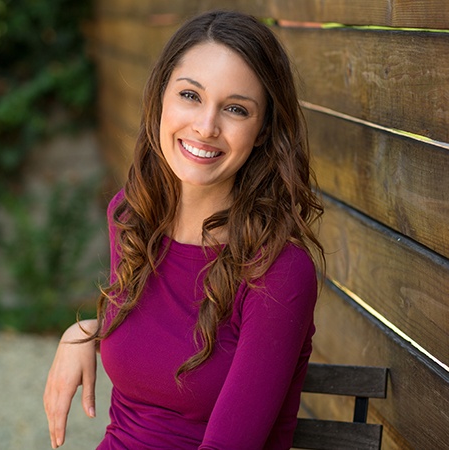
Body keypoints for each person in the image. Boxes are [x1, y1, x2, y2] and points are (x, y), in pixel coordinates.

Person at [44, 10, 324, 450]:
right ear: (160, 99)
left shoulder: (278, 270)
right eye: (190, 95)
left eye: (235, 109)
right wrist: (85, 332)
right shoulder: (133, 217)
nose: (206, 126)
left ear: (263, 129)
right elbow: (159, 335)